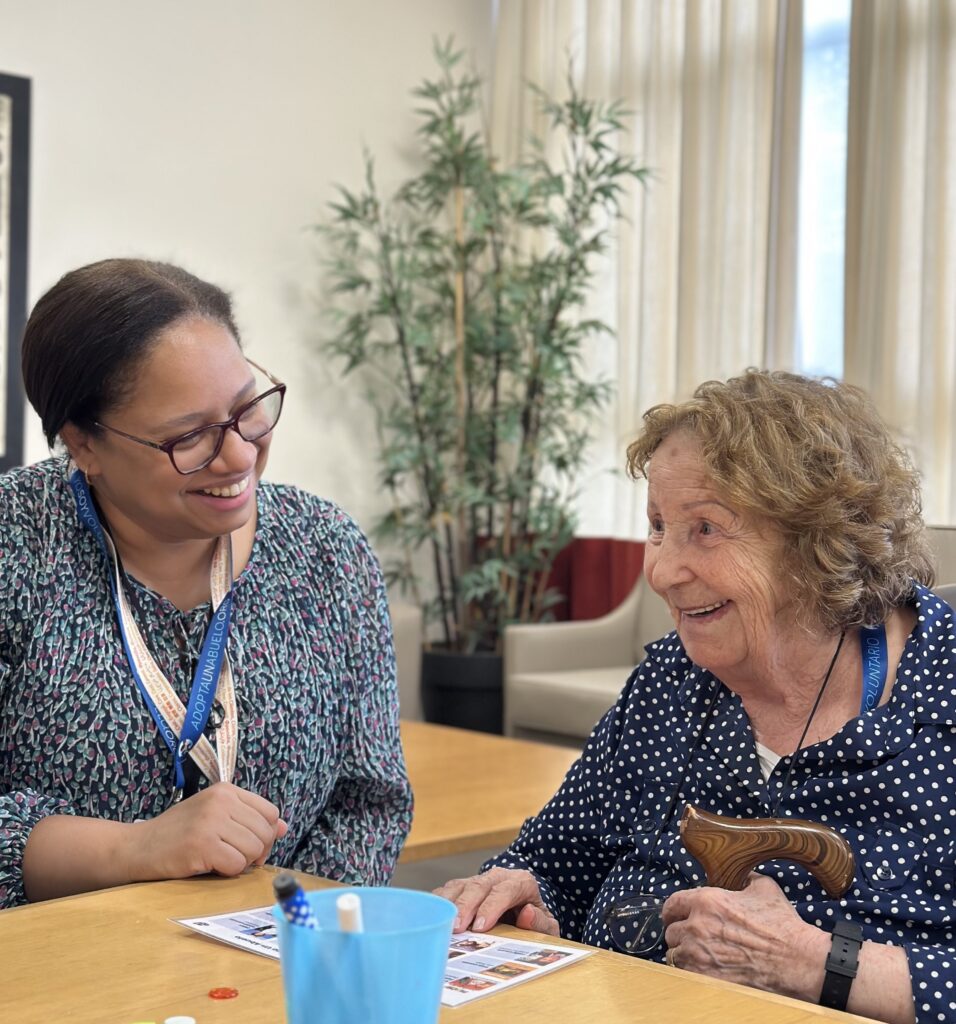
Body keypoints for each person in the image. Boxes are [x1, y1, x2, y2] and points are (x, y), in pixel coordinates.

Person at [437, 370, 955, 1024]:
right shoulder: (671, 682)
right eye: (658, 526)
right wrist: (517, 892)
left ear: (817, 542)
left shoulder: (941, 687)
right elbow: (553, 860)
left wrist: (814, 962)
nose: (660, 570)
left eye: (705, 529)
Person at [0, 258, 412, 908]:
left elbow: (371, 798)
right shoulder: (15, 546)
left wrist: (293, 937)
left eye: (250, 409)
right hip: (56, 971)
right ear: (83, 445)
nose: (242, 455)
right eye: (190, 436)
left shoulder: (327, 551)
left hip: (276, 964)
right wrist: (135, 850)